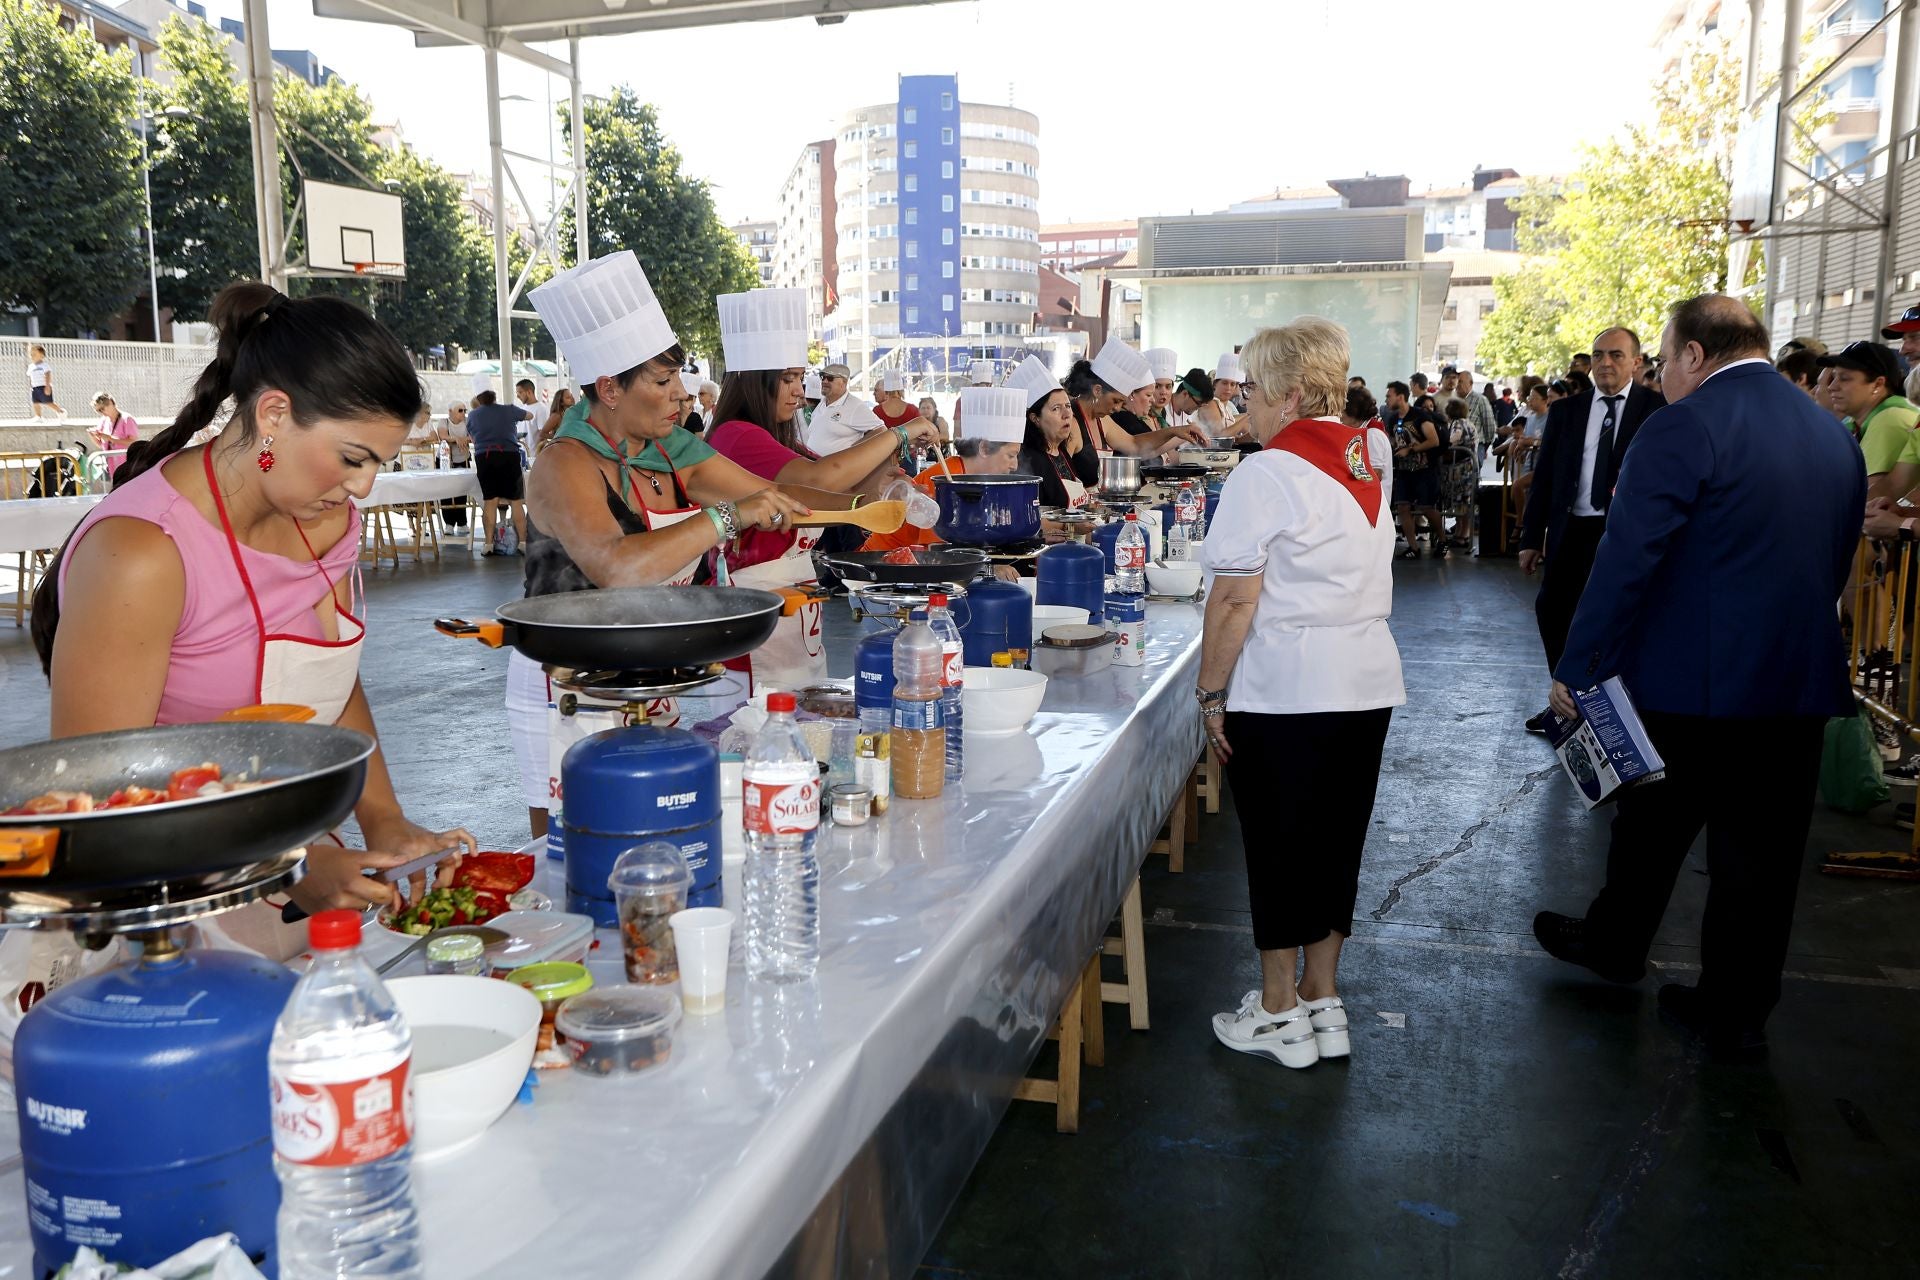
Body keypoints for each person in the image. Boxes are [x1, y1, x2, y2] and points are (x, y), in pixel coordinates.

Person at [29, 281, 474, 940]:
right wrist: (293, 863)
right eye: (353, 458)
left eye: (379, 463)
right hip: (163, 909)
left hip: (293, 878)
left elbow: (327, 678)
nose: (363, 487)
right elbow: (97, 807)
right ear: (272, 415)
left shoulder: (326, 522)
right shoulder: (143, 554)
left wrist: (384, 819)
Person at [1532, 295, 1863, 1056]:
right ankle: (1733, 1007)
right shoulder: (1829, 430)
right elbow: (1837, 558)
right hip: (1793, 680)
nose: (1658, 376)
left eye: (1661, 361)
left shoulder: (1682, 425)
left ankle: (1618, 948)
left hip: (1689, 681)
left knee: (1649, 822)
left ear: (1690, 355)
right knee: (1762, 858)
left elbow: (1626, 558)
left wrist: (1579, 666)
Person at [515, 254, 814, 837]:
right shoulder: (564, 464)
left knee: (662, 835)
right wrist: (728, 518)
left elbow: (779, 493)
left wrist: (867, 493)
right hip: (570, 688)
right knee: (582, 844)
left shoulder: (668, 449)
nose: (680, 396)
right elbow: (616, 569)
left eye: (679, 379)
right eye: (662, 382)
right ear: (608, 387)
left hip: (650, 673)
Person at [1198, 316, 1404, 1071]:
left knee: (1279, 845)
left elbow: (1233, 602)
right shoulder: (1368, 454)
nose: (1241, 404)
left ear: (1285, 395)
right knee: (1335, 841)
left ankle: (1280, 1012)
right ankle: (1325, 997)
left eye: (1249, 389)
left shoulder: (1266, 473)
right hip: (1367, 678)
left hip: (1287, 686)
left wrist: (1209, 693)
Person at [704, 287, 941, 693]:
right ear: (754, 383)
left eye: (800, 377)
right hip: (753, 623)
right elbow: (817, 481)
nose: (800, 390)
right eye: (787, 379)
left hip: (796, 620)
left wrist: (886, 477)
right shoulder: (737, 436)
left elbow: (843, 493)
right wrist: (897, 435)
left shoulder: (783, 442)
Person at [1518, 325, 1665, 734]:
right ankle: (1566, 701)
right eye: (1598, 354)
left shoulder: (1658, 408)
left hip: (1626, 536)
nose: (1605, 362)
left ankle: (1613, 711)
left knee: (1621, 620)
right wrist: (1531, 538)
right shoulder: (1567, 411)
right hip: (1573, 531)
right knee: (1553, 610)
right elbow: (1544, 478)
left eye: (1616, 355)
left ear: (1636, 362)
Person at [861, 386, 1028, 563]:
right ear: (984, 449)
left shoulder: (966, 478)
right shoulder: (944, 481)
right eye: (1011, 455)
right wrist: (989, 569)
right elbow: (937, 553)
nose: (1014, 465)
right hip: (880, 564)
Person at [1070, 339, 1209, 464]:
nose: (1118, 408)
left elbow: (1135, 445)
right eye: (1116, 400)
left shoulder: (1103, 421)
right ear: (1097, 391)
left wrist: (1176, 431)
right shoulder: (1071, 422)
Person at [1816, 341, 1914, 502]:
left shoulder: (1890, 418)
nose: (1832, 387)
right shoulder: (1854, 423)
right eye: (1833, 378)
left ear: (1877, 384)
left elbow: (1868, 496)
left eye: (1844, 378)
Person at [1011, 355, 1089, 510]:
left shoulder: (1061, 452)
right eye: (1056, 409)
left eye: (1068, 406)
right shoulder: (1029, 460)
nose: (1066, 414)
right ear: (1035, 418)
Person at [1383, 382, 1447, 559]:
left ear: (1400, 397)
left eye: (1389, 395)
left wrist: (1410, 449)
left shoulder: (1420, 416)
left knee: (1426, 508)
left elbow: (1433, 441)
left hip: (1424, 469)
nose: (1387, 399)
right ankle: (1413, 546)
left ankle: (1442, 539)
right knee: (1403, 506)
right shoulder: (1393, 419)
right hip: (1404, 470)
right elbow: (1394, 440)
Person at [467, 385, 532, 555]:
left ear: (478, 399)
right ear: (494, 396)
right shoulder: (509, 410)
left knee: (490, 501)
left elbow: (472, 436)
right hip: (509, 456)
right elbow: (529, 415)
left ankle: (488, 545)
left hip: (485, 458)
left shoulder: (473, 415)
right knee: (516, 501)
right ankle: (523, 543)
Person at [806, 362, 882, 455]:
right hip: (815, 465)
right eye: (822, 377)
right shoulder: (823, 402)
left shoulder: (855, 405)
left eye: (830, 378)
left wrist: (854, 449)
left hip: (837, 467)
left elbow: (881, 430)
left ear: (844, 382)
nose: (824, 381)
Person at [434, 401, 471, 531]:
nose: (463, 413)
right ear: (450, 411)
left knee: (462, 490)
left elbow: (473, 436)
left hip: (462, 458)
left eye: (464, 410)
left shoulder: (468, 421)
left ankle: (462, 523)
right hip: (445, 459)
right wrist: (457, 438)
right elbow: (443, 436)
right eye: (460, 410)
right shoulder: (444, 422)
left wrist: (461, 439)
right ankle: (449, 523)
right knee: (447, 490)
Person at [88, 392, 139, 471]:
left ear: (111, 403)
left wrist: (110, 438)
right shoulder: (103, 421)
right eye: (98, 410)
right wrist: (93, 436)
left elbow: (132, 442)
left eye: (102, 409)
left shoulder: (127, 419)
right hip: (112, 467)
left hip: (127, 466)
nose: (101, 412)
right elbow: (101, 445)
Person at [26, 345, 64, 420]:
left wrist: (48, 386)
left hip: (43, 386)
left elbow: (48, 375)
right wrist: (31, 386)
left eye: (34, 354)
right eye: (31, 354)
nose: (32, 356)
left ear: (42, 355)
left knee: (48, 402)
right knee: (35, 402)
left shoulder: (44, 365)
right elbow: (30, 377)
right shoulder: (31, 366)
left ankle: (60, 411)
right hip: (35, 387)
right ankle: (38, 416)